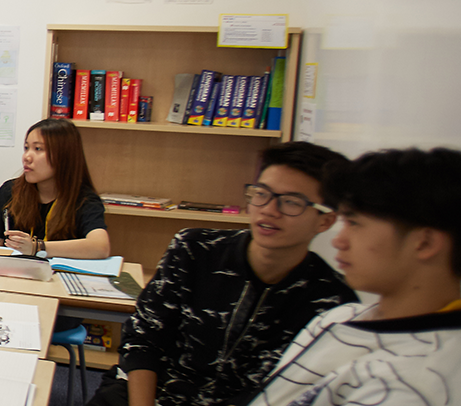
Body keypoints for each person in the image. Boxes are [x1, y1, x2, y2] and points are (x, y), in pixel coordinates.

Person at [85, 142, 358, 406]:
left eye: (291, 202)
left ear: (325, 220)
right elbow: (144, 339)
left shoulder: (331, 304)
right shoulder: (194, 249)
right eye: (261, 193)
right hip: (145, 394)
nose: (269, 210)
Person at [248, 148, 461, 406]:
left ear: (425, 242)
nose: (338, 241)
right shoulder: (339, 316)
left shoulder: (415, 385)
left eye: (355, 224)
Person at [0, 118, 109, 258]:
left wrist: (37, 247)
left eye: (38, 149)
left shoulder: (83, 200)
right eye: (26, 148)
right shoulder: (11, 191)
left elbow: (101, 247)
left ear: (64, 156)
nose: (26, 157)